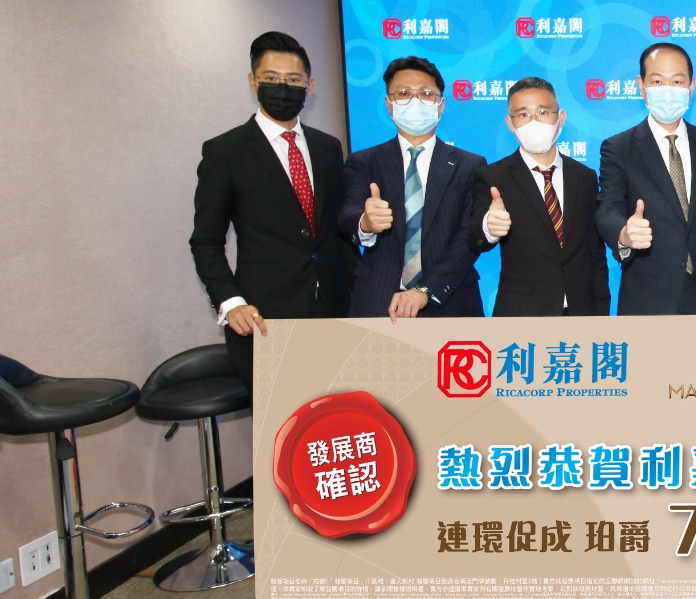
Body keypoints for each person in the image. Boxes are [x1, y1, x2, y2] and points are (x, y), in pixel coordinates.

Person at [191, 31, 350, 384]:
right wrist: (230, 302)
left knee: (337, 412)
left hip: (333, 312)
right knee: (281, 416)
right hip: (263, 317)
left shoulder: (328, 148)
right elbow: (205, 241)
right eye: (271, 79)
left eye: (293, 80)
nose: (283, 88)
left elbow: (334, 231)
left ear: (309, 86)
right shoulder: (225, 151)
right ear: (253, 82)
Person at [596, 43, 696, 315]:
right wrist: (624, 233)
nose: (667, 89)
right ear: (641, 86)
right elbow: (608, 208)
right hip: (649, 298)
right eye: (657, 81)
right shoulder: (619, 148)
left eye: (677, 81)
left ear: (691, 86)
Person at [338, 56, 485, 321]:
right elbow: (347, 215)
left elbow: (468, 239)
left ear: (441, 105)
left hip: (451, 302)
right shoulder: (364, 161)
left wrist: (425, 291)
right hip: (377, 300)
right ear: (389, 105)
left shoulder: (470, 165)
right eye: (404, 94)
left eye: (426, 94)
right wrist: (366, 223)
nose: (415, 102)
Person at [468, 77, 609, 316]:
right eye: (523, 115)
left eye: (543, 112)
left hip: (582, 310)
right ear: (510, 123)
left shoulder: (584, 176)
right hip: (523, 313)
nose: (533, 122)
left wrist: (601, 309)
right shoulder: (493, 177)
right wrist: (489, 229)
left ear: (560, 118)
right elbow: (474, 239)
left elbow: (595, 252)